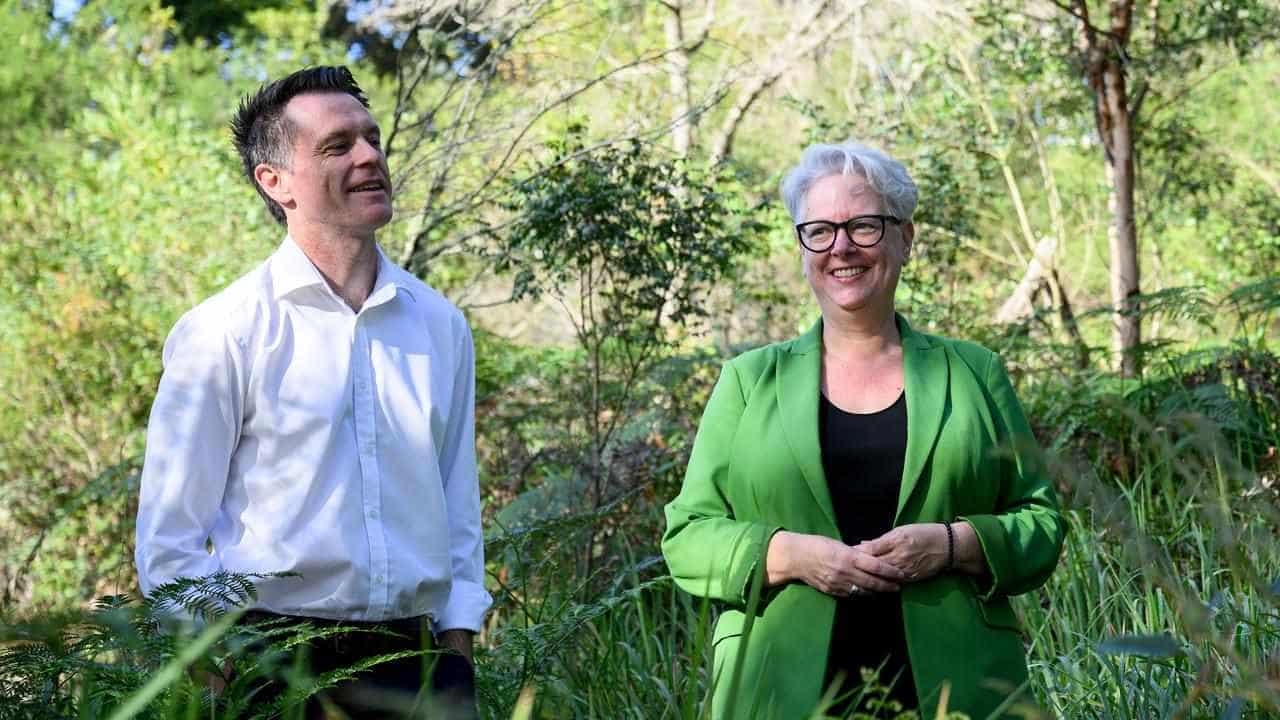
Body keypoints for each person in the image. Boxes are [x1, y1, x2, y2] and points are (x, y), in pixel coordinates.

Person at [661, 142, 1066, 719]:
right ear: (802, 247)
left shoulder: (974, 372)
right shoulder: (748, 381)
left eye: (864, 226)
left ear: (905, 238)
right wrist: (791, 554)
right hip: (776, 691)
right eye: (819, 230)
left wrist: (952, 545)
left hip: (961, 690)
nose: (841, 247)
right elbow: (687, 536)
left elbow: (1042, 525)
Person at [134, 66, 490, 718]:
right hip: (273, 663)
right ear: (275, 182)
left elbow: (457, 505)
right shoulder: (224, 332)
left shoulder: (440, 324)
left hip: (421, 668)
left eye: (372, 139)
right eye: (337, 146)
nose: (369, 157)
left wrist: (458, 651)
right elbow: (171, 536)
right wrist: (217, 674)